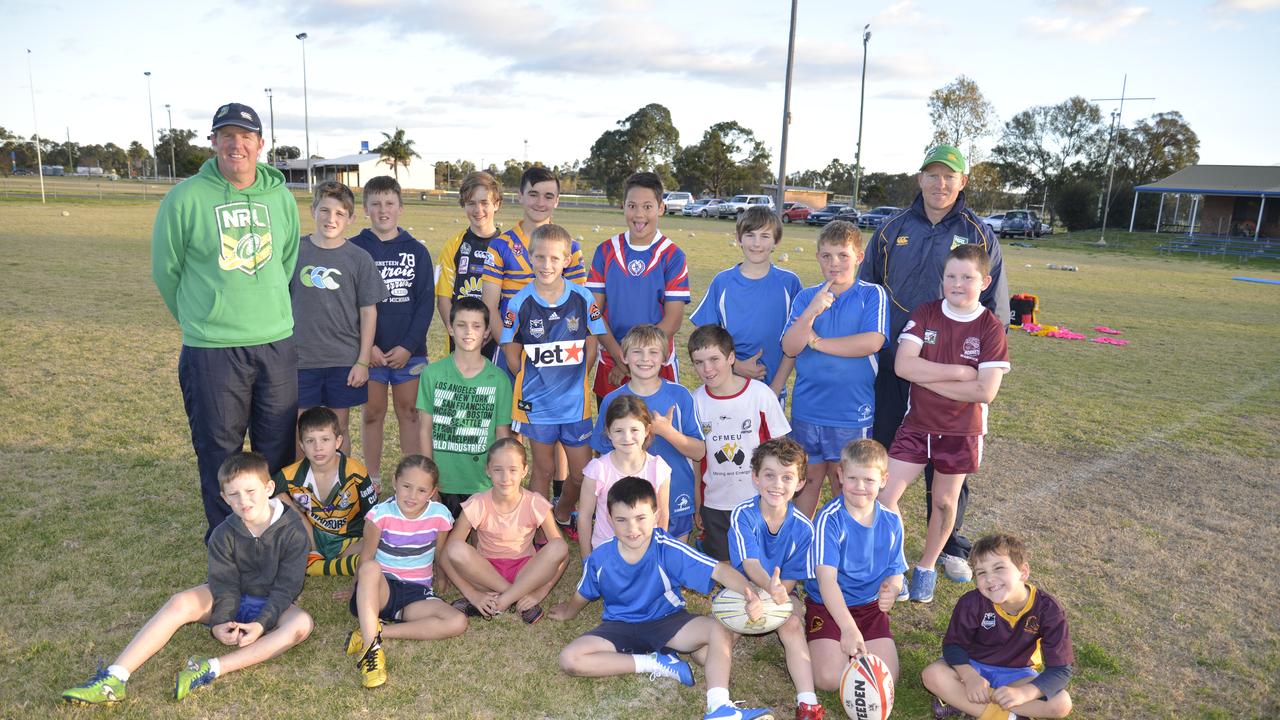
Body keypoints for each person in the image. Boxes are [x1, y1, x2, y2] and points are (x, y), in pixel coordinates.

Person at [860, 144, 1011, 585]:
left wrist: (977, 366)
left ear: (962, 182)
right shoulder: (891, 229)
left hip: (956, 365)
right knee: (888, 451)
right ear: (920, 178)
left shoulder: (979, 234)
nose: (940, 184)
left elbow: (995, 307)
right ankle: (874, 538)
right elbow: (868, 293)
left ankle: (945, 546)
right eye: (932, 175)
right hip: (896, 360)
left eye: (949, 176)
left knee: (949, 465)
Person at [152, 102, 301, 540]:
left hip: (275, 342)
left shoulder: (281, 197)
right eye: (227, 136)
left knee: (276, 449)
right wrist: (203, 319)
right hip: (212, 349)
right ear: (213, 141)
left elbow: (286, 260)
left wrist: (265, 306)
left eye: (246, 136)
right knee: (220, 452)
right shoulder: (185, 198)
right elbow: (167, 269)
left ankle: (271, 540)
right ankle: (229, 545)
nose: (237, 144)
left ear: (260, 143)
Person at [60, 452, 312, 705]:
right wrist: (220, 621)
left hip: (272, 601)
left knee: (302, 624)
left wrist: (261, 624)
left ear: (268, 488)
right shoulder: (223, 534)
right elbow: (224, 583)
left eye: (250, 491)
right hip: (230, 595)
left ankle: (209, 668)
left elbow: (287, 587)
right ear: (224, 498)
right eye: (233, 495)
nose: (243, 500)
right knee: (180, 602)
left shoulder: (293, 531)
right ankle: (114, 677)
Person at [548, 477, 774, 720]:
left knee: (718, 629)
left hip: (667, 622)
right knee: (569, 659)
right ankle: (655, 663)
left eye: (640, 519)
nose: (632, 529)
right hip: (619, 627)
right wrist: (569, 611)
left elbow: (719, 570)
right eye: (621, 520)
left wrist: (750, 594)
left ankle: (719, 707)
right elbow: (584, 591)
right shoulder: (601, 557)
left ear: (655, 516)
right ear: (609, 520)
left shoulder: (667, 548)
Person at [878, 244, 1010, 604]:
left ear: (984, 281)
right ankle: (895, 567)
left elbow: (985, 391)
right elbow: (904, 366)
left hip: (960, 432)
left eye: (966, 277)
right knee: (884, 497)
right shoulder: (926, 313)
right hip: (917, 425)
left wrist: (927, 376)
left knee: (943, 504)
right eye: (951, 276)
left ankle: (926, 566)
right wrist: (956, 372)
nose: (957, 283)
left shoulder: (990, 327)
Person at [501, 223, 605, 532]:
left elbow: (592, 343)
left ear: (567, 260)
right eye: (540, 257)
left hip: (574, 404)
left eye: (555, 258)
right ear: (530, 258)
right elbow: (511, 352)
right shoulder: (519, 302)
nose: (547, 265)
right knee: (542, 471)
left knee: (581, 474)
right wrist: (538, 379)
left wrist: (574, 378)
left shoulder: (583, 298)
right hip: (538, 404)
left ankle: (562, 512)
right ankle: (537, 529)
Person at [780, 221, 887, 517]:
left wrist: (818, 343)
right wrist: (812, 311)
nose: (834, 263)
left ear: (859, 257)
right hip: (807, 409)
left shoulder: (871, 295)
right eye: (826, 256)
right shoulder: (806, 297)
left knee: (846, 484)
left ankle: (845, 548)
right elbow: (790, 347)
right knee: (808, 480)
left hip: (850, 412)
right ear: (817, 257)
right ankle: (802, 546)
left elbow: (871, 342)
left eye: (842, 255)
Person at [922, 533, 1074, 720]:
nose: (990, 579)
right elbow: (953, 646)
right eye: (981, 572)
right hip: (972, 666)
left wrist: (1023, 693)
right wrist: (970, 678)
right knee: (932, 675)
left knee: (1061, 703)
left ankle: (964, 703)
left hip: (1017, 675)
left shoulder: (1048, 609)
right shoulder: (971, 603)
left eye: (999, 568)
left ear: (1023, 572)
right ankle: (1010, 716)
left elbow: (1060, 670)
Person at [346, 455, 466, 689]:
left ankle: (377, 631)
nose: (412, 496)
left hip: (416, 593)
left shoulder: (440, 515)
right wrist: (354, 588)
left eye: (421, 490)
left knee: (457, 621)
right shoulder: (380, 515)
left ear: (432, 492)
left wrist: (442, 578)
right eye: (407, 487)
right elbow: (366, 556)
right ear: (395, 482)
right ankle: (371, 652)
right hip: (382, 590)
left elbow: (440, 552)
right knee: (371, 568)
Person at [290, 180, 388, 455]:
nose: (330, 219)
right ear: (313, 211)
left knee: (338, 427)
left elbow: (369, 312)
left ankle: (340, 493)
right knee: (302, 429)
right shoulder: (295, 252)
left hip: (343, 359)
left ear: (351, 218)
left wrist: (362, 361)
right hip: (301, 359)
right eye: (324, 210)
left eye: (339, 213)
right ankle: (302, 492)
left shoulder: (358, 258)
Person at [727, 438, 822, 719]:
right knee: (721, 635)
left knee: (792, 625)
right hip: (742, 587)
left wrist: (775, 595)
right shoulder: (743, 514)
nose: (777, 484)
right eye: (769, 475)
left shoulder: (804, 529)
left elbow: (788, 581)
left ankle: (808, 702)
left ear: (801, 483)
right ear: (755, 478)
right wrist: (765, 590)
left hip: (779, 591)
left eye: (787, 477)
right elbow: (749, 563)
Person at [351, 175, 434, 490]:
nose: (383, 210)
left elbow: (424, 304)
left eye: (389, 203)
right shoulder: (354, 248)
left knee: (409, 412)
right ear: (366, 209)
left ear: (400, 207)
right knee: (372, 413)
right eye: (375, 204)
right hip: (368, 353)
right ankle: (371, 481)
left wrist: (409, 347)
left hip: (408, 353)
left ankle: (411, 480)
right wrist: (366, 347)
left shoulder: (417, 251)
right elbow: (348, 303)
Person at [805, 439, 906, 693]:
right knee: (828, 679)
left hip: (869, 607)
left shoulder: (892, 521)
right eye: (852, 478)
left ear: (883, 480)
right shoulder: (829, 520)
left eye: (869, 480)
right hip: (828, 605)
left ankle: (854, 649)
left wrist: (892, 590)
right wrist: (848, 628)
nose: (860, 487)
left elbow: (897, 570)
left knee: (887, 679)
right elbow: (827, 581)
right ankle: (818, 632)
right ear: (840, 475)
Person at [592, 324, 705, 543]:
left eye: (653, 352)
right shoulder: (612, 401)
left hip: (675, 492)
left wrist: (667, 432)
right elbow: (602, 455)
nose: (645, 359)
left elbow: (699, 451)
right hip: (630, 502)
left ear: (664, 357)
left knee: (670, 559)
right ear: (624, 357)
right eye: (637, 352)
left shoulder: (680, 396)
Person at [586, 171, 690, 404]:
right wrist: (619, 357)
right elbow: (594, 312)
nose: (639, 214)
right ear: (623, 206)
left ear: (661, 208)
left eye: (647, 206)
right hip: (612, 362)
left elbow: (673, 321)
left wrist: (636, 359)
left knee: (658, 435)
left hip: (655, 362)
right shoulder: (605, 251)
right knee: (614, 435)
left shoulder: (672, 255)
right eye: (632, 206)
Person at [688, 324, 790, 561]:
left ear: (731, 357)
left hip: (758, 500)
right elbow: (696, 459)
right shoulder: (695, 402)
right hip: (716, 501)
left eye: (714, 359)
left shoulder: (760, 395)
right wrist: (698, 500)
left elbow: (782, 451)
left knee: (762, 561)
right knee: (725, 563)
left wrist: (781, 497)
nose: (707, 369)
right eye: (698, 362)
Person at [441, 438, 570, 624]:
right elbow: (447, 554)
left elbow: (562, 555)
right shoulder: (478, 503)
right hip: (485, 574)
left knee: (559, 546)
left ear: (524, 471)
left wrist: (540, 593)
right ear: (488, 471)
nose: (505, 478)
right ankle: (514, 597)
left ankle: (501, 601)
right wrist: (473, 595)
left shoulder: (535, 503)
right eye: (497, 470)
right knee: (455, 549)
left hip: (526, 573)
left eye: (513, 470)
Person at [416, 296, 513, 520]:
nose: (468, 332)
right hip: (443, 481)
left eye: (476, 326)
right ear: (450, 328)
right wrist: (429, 480)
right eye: (461, 325)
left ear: (487, 332)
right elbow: (425, 430)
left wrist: (498, 480)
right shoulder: (433, 374)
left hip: (481, 482)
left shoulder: (499, 379)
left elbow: (501, 435)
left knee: (480, 548)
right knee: (443, 549)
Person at [691, 206, 803, 401]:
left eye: (765, 236)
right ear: (739, 238)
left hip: (773, 389)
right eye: (750, 235)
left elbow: (796, 341)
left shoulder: (789, 283)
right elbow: (705, 338)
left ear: (776, 241)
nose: (757, 243)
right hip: (727, 386)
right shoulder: (722, 282)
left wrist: (775, 388)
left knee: (769, 433)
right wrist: (737, 365)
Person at [482, 166, 586, 370]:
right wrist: (509, 352)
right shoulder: (500, 246)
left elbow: (578, 307)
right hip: (510, 349)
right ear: (520, 196)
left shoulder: (571, 248)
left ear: (557, 200)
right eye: (533, 194)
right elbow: (490, 307)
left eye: (548, 196)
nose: (540, 203)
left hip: (556, 352)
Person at [274, 406, 377, 576]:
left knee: (376, 551)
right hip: (312, 538)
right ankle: (328, 561)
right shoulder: (289, 476)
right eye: (310, 441)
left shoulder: (356, 474)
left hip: (349, 540)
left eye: (325, 439)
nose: (318, 447)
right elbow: (263, 500)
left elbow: (374, 517)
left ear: (338, 442)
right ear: (301, 445)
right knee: (278, 497)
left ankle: (320, 565)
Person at [578, 394, 671, 558]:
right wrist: (587, 559)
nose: (627, 437)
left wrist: (658, 555)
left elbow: (662, 516)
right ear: (608, 432)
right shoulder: (598, 470)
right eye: (619, 430)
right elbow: (585, 516)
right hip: (607, 552)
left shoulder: (658, 468)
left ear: (647, 430)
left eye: (634, 429)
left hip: (646, 552)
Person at [436, 170, 503, 359]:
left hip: (495, 340)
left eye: (484, 203)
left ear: (496, 204)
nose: (478, 210)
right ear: (463, 205)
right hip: (459, 340)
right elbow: (443, 300)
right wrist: (457, 333)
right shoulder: (453, 245)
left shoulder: (507, 246)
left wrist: (490, 330)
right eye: (471, 203)